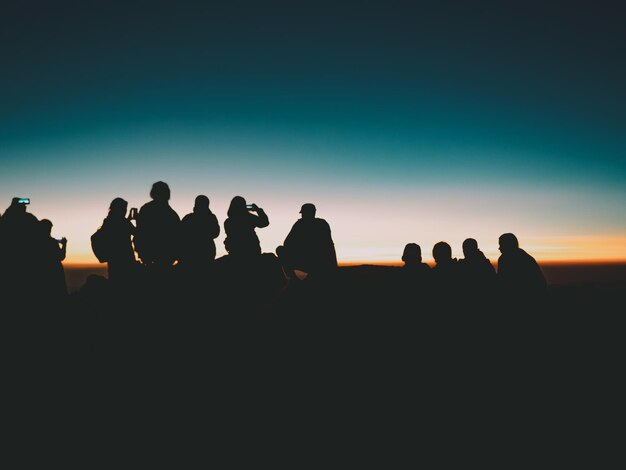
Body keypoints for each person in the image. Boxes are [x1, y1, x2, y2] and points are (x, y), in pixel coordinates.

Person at [276, 203, 337, 283]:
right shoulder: (322, 223)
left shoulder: (300, 224)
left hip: (313, 261)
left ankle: (294, 279)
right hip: (325, 262)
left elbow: (287, 243)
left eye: (303, 213)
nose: (302, 215)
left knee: (280, 250)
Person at [133, 181, 181, 270]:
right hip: (167, 256)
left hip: (149, 255)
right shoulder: (172, 214)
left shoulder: (146, 209)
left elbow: (141, 231)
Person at [99, 198, 138, 285]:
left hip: (113, 260)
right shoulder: (124, 222)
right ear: (120, 209)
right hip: (126, 259)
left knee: (115, 282)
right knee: (128, 283)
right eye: (124, 209)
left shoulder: (107, 221)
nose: (125, 211)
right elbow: (137, 232)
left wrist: (128, 219)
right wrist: (137, 219)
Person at [497, 233, 547, 300]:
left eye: (501, 245)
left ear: (509, 245)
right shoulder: (504, 258)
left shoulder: (522, 259)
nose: (499, 248)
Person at [179, 195, 220, 272]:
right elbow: (216, 233)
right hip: (206, 253)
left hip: (190, 254)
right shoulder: (211, 218)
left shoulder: (188, 218)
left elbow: (180, 235)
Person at [35, 219, 68, 300]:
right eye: (49, 228)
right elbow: (61, 257)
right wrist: (64, 245)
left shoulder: (35, 241)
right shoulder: (52, 242)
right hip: (54, 271)